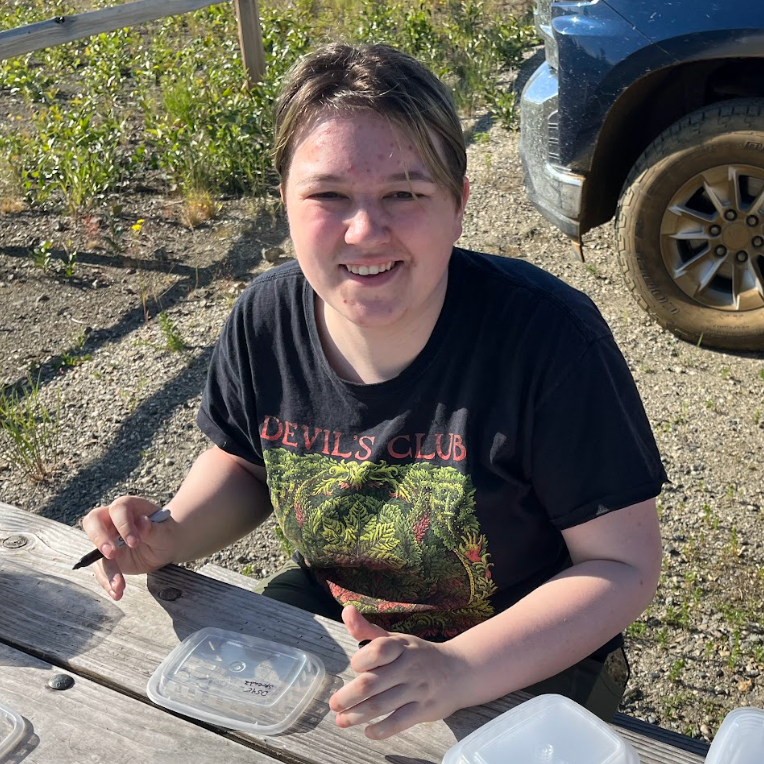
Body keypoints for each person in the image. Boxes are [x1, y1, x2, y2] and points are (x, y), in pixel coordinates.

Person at [82, 42, 666, 740]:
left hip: (525, 642)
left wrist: (457, 668)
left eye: (405, 193)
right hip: (341, 610)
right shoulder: (265, 319)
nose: (365, 231)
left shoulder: (549, 341)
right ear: (286, 205)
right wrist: (165, 535)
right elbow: (244, 463)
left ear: (458, 205)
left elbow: (623, 566)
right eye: (329, 194)